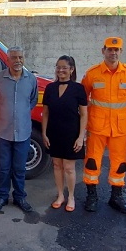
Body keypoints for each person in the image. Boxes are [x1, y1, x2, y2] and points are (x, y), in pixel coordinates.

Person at [81, 36, 126, 213]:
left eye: (116, 50)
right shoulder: (92, 73)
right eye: (110, 49)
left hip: (119, 128)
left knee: (119, 163)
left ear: (121, 52)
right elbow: (83, 98)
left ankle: (116, 197)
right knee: (92, 162)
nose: (113, 53)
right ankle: (92, 196)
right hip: (97, 127)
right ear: (103, 51)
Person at [0, 46, 38, 213]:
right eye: (14, 58)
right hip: (2, 131)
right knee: (3, 167)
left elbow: (33, 100)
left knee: (19, 168)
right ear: (7, 60)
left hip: (23, 132)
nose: (18, 61)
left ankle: (19, 196)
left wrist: (20, 113)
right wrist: (4, 113)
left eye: (20, 57)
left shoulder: (31, 79)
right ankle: (2, 196)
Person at [41, 55, 87, 212]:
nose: (60, 70)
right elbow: (45, 113)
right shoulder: (50, 88)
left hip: (71, 133)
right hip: (54, 133)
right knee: (57, 165)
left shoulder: (78, 89)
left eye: (64, 68)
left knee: (69, 167)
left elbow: (84, 115)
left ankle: (71, 196)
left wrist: (80, 137)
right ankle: (60, 195)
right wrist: (44, 133)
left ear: (71, 69)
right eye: (58, 67)